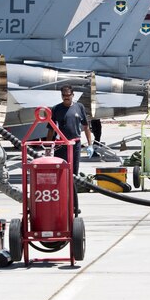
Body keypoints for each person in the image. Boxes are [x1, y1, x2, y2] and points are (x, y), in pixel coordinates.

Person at [46, 85, 94, 214]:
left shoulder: (79, 107)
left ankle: (73, 205)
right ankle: (58, 204)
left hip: (75, 145)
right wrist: (48, 147)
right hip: (61, 145)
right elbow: (51, 129)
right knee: (59, 175)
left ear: (73, 95)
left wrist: (90, 144)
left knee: (73, 175)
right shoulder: (56, 109)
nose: (66, 98)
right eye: (64, 96)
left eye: (68, 96)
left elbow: (86, 126)